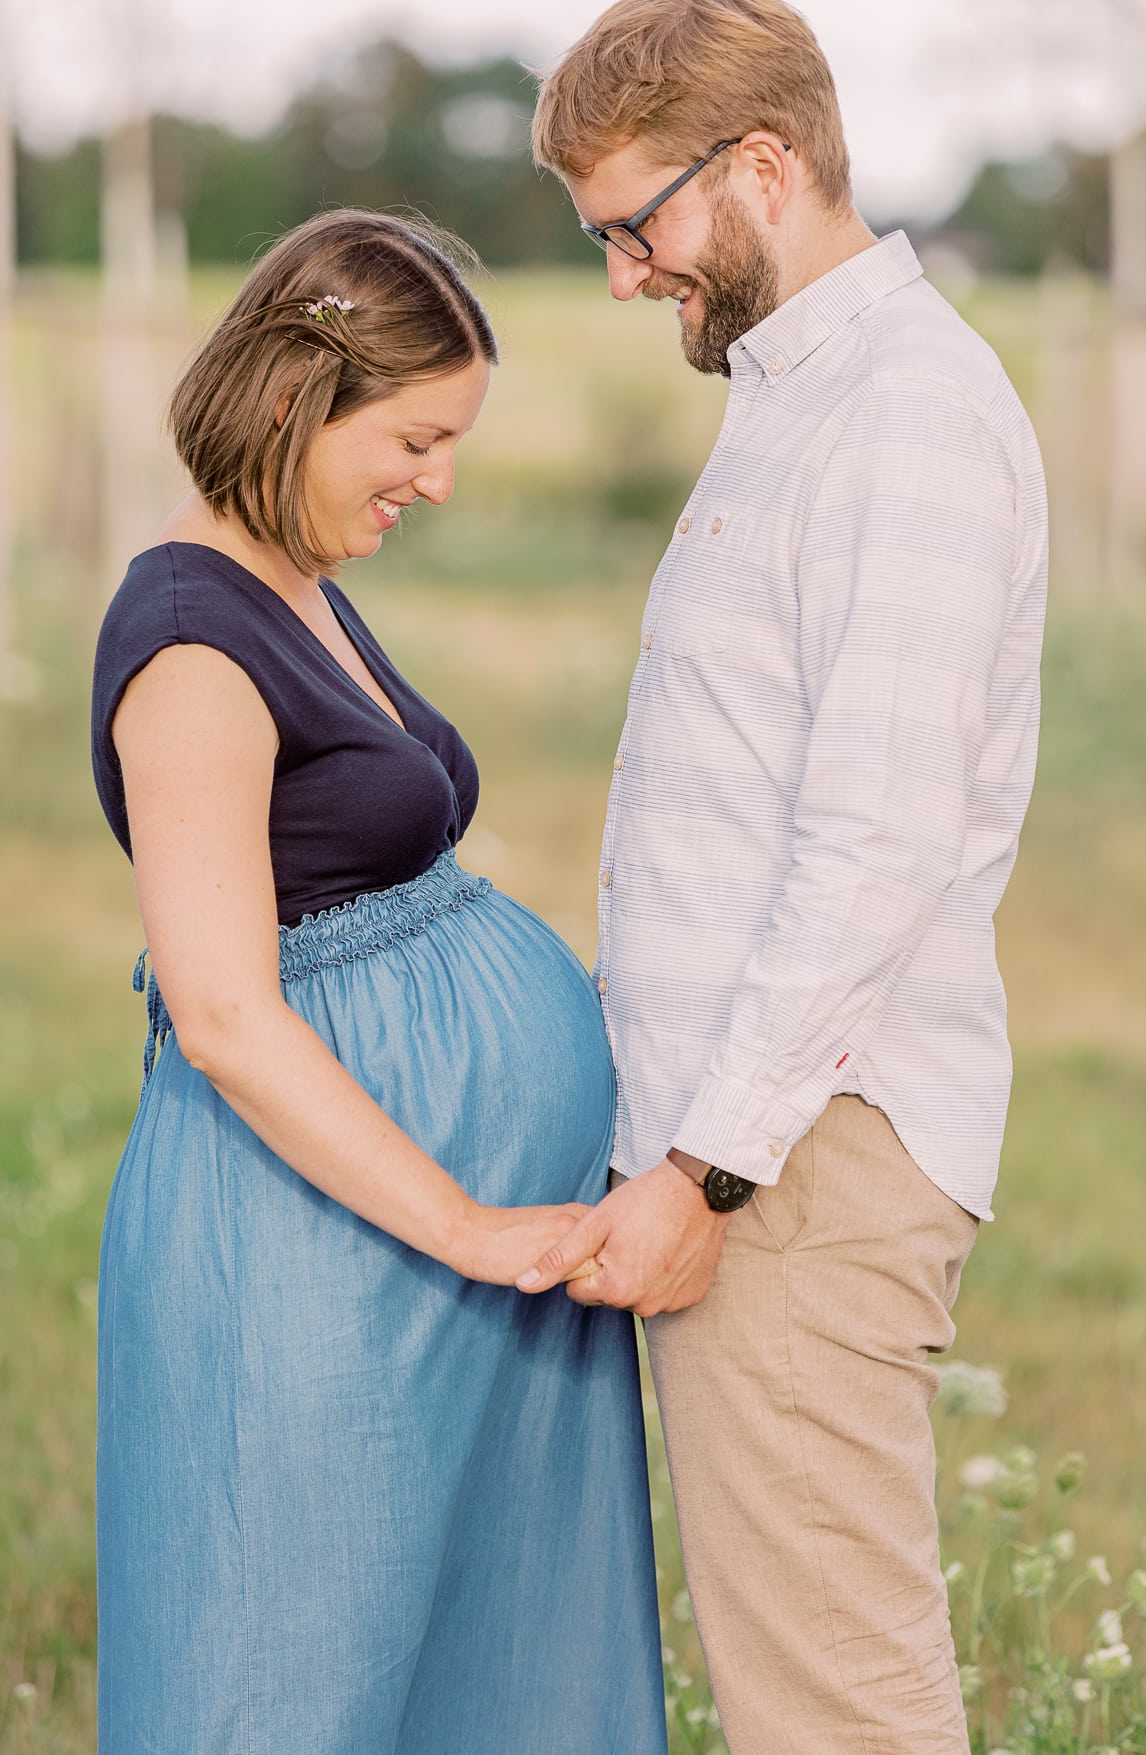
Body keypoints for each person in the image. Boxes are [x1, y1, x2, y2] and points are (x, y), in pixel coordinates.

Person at [523, 4, 1049, 1751]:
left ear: (761, 167)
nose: (620, 275)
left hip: (794, 1166)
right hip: (761, 1151)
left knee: (835, 1705)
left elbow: (871, 849)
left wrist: (701, 1168)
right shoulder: (795, 398)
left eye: (634, 224)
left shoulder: (903, 416)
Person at [89, 209, 666, 1755]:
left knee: (467, 1669)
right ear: (295, 397)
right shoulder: (189, 645)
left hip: (429, 1271)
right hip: (323, 1256)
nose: (439, 479)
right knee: (289, 1667)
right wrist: (468, 1222)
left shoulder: (292, 586)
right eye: (415, 437)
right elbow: (220, 1009)